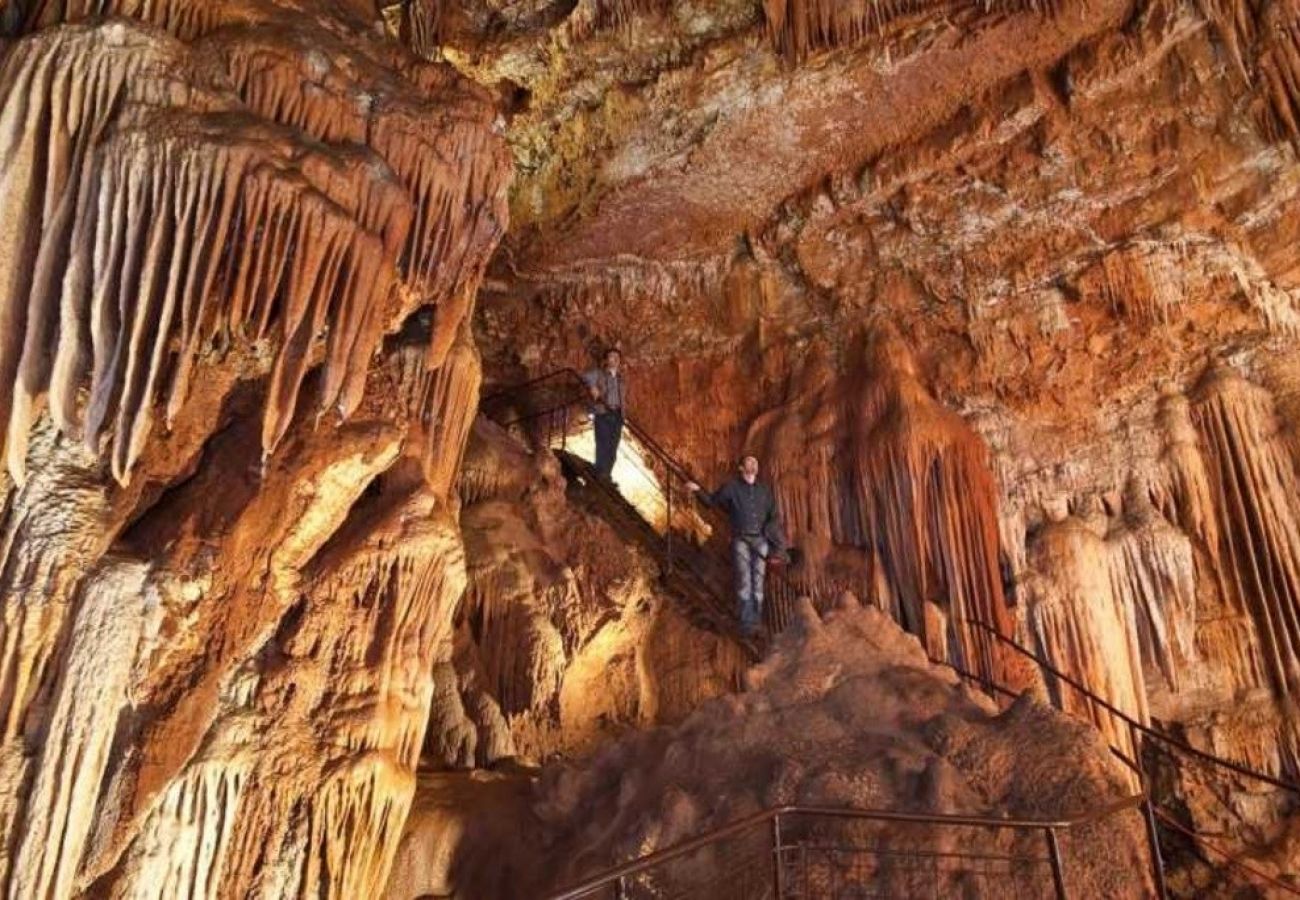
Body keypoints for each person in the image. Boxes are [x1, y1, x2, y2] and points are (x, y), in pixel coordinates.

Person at [687, 456, 787, 636]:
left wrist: (771, 536)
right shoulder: (732, 488)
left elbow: (774, 515)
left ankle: (756, 620)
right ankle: (746, 623)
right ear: (741, 467)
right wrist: (697, 490)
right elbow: (712, 501)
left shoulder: (764, 491)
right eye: (749, 461)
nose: (753, 464)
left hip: (760, 541)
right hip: (741, 539)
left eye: (755, 462)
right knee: (744, 580)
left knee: (757, 582)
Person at [582, 348, 626, 481]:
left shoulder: (621, 378)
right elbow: (585, 376)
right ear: (606, 360)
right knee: (602, 444)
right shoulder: (599, 373)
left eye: (617, 357)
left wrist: (624, 414)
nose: (615, 359)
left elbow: (622, 397)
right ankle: (600, 474)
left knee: (613, 447)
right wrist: (592, 387)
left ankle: (606, 475)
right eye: (612, 356)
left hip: (617, 415)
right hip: (603, 413)